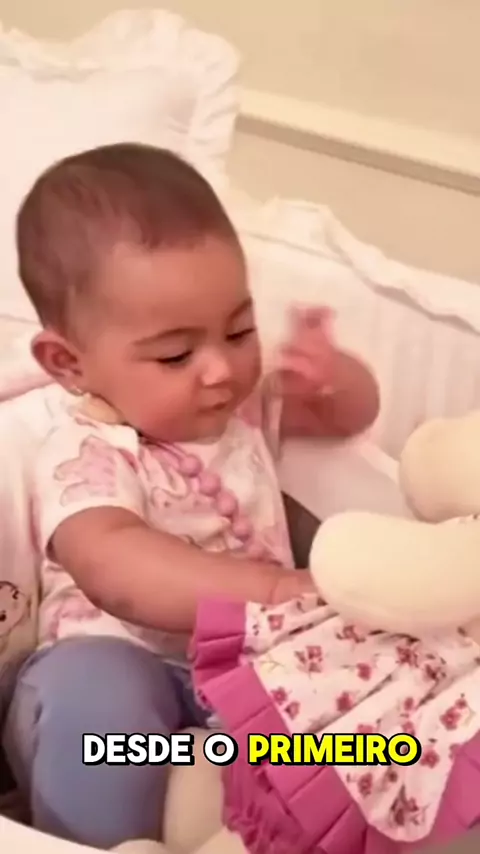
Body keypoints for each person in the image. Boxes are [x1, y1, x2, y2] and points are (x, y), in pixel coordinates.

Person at [3, 143, 379, 848]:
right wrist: (277, 590)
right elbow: (116, 565)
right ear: (70, 362)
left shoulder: (244, 410)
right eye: (176, 354)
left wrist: (335, 380)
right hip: (122, 669)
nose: (220, 370)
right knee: (94, 699)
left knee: (359, 726)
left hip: (247, 688)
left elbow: (349, 422)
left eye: (239, 331)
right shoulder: (87, 447)